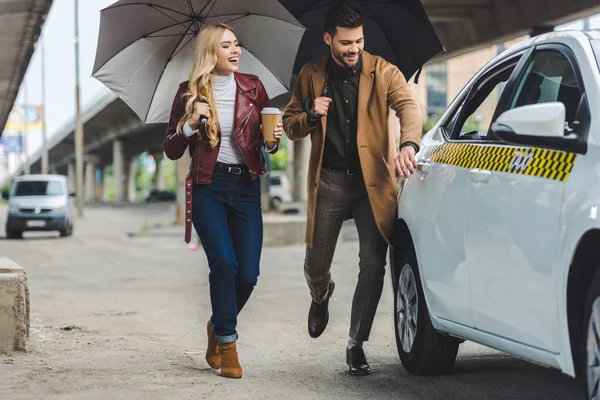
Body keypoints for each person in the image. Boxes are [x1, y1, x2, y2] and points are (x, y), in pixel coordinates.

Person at [282, 3, 422, 376]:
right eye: (346, 42)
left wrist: (409, 144)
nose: (354, 48)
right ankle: (320, 295)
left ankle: (355, 344)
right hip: (328, 179)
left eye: (359, 41)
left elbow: (408, 106)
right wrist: (311, 113)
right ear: (329, 39)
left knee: (373, 265)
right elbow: (290, 124)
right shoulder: (311, 74)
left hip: (371, 181)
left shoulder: (383, 71)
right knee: (315, 266)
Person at [163, 23, 282, 379]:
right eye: (226, 46)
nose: (235, 51)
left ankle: (216, 325)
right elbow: (170, 149)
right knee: (224, 264)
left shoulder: (253, 87)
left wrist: (272, 141)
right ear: (209, 53)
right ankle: (228, 345)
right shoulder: (188, 94)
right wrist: (190, 122)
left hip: (246, 188)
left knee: (248, 273)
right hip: (207, 188)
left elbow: (264, 143)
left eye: (236, 45)